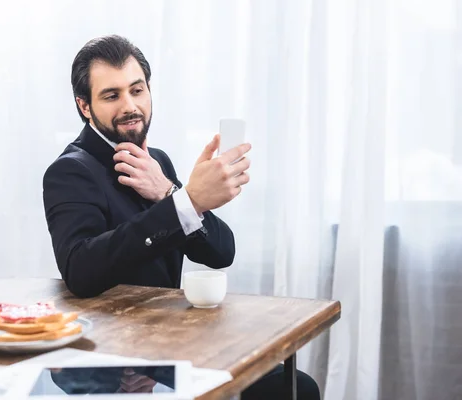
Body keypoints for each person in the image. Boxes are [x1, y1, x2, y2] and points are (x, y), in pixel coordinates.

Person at [43, 35, 320, 400]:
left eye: (137, 90)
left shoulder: (157, 161)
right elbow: (79, 270)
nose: (130, 106)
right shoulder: (69, 171)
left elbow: (222, 254)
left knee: (295, 386)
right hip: (109, 357)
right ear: (85, 106)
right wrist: (185, 201)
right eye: (111, 96)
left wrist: (168, 192)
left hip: (168, 341)